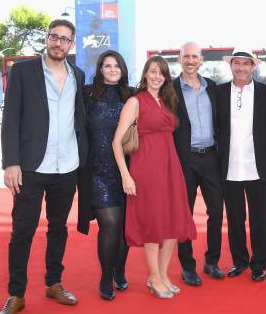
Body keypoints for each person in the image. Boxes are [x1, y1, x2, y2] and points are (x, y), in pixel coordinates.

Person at [0, 19, 88, 314]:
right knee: (22, 232)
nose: (58, 43)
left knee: (59, 228)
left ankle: (53, 283)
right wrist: (11, 162)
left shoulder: (78, 74)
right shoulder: (24, 71)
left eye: (65, 39)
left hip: (67, 166)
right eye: (54, 37)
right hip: (32, 167)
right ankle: (16, 295)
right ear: (47, 39)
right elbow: (11, 119)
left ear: (71, 44)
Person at [112, 56, 197, 299]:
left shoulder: (168, 101)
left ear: (166, 76)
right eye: (152, 71)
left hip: (171, 169)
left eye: (161, 72)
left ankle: (163, 273)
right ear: (145, 74)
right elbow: (117, 143)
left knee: (172, 222)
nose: (157, 76)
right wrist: (126, 176)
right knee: (153, 223)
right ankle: (153, 276)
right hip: (146, 170)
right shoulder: (135, 102)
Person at [216, 48, 266, 282]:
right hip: (229, 165)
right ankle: (239, 261)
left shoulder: (265, 93)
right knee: (234, 217)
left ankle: (259, 264)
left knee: (259, 217)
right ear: (230, 66)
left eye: (245, 64)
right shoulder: (219, 92)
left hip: (256, 164)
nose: (241, 67)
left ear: (253, 66)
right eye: (236, 63)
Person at [77, 50, 133, 300]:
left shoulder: (132, 95)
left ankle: (120, 270)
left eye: (116, 66)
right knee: (110, 224)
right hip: (97, 171)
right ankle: (106, 275)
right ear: (100, 69)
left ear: (122, 70)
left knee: (125, 227)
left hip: (128, 172)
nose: (111, 69)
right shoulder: (87, 95)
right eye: (106, 65)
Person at [172, 42, 225, 286]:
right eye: (186, 56)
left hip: (212, 157)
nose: (191, 60)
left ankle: (212, 261)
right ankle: (187, 266)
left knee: (216, 211)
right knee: (185, 213)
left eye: (195, 56)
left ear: (201, 59)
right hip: (185, 159)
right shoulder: (170, 89)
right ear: (180, 59)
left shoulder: (212, 88)